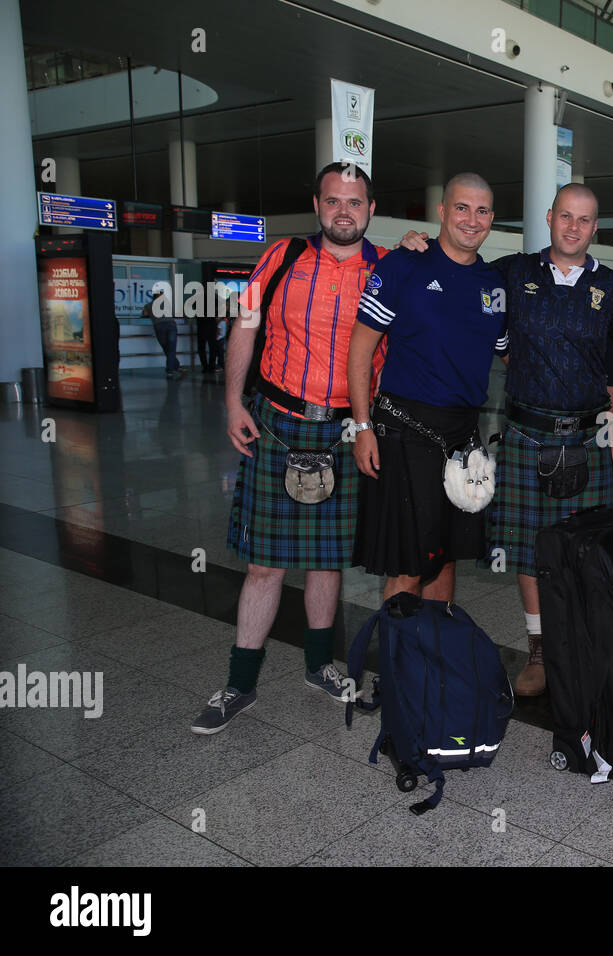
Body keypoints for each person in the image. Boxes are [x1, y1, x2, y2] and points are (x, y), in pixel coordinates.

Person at [191, 162, 385, 735]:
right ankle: (240, 683)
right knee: (264, 563)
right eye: (332, 201)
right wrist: (232, 402)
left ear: (370, 210)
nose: (342, 212)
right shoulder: (281, 257)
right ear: (318, 206)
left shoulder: (389, 269)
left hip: (347, 429)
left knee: (328, 558)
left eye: (354, 202)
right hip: (277, 421)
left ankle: (320, 666)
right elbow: (246, 324)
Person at [491, 184, 613, 696]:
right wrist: (415, 246)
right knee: (528, 550)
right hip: (527, 433)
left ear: (596, 228)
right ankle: (540, 651)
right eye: (565, 216)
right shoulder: (511, 272)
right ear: (550, 217)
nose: (573, 227)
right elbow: (458, 282)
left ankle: (582, 645)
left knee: (585, 549)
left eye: (585, 220)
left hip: (591, 436)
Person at [347, 173, 507, 603]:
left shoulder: (494, 284)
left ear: (492, 218)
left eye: (482, 210)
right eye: (461, 207)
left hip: (463, 436)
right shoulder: (403, 264)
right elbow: (360, 350)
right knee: (409, 562)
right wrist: (362, 427)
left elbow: (511, 355)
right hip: (405, 430)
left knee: (447, 555)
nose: (472, 220)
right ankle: (398, 668)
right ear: (442, 211)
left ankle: (436, 658)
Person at [143, 289, 182, 378]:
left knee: (167, 348)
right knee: (171, 348)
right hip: (171, 325)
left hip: (159, 327)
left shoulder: (148, 305)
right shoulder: (167, 303)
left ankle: (175, 367)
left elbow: (144, 314)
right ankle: (171, 370)